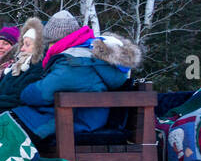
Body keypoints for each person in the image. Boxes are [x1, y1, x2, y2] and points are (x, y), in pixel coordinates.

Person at [10, 10, 143, 140]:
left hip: (75, 124)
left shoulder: (73, 62)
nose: (48, 49)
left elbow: (39, 94)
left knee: (9, 131)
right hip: (88, 118)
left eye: (49, 43)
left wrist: (24, 92)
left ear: (57, 41)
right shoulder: (89, 54)